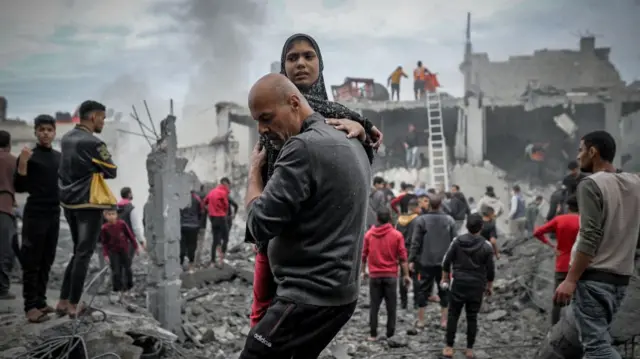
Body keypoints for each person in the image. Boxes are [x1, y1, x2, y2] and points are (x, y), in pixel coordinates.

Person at [245, 33, 382, 329]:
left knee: (292, 323)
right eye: (292, 58)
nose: (301, 64)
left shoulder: (341, 116)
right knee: (261, 315)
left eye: (309, 56)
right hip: (272, 230)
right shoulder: (272, 110)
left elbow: (360, 161)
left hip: (313, 246)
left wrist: (360, 128)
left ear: (321, 63)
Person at [554, 130, 640, 359]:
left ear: (593, 152)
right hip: (621, 278)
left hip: (594, 278)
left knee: (596, 347)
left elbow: (590, 236)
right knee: (597, 342)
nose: (579, 156)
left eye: (581, 150)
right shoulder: (634, 182)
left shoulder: (590, 184)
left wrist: (570, 280)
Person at [57, 100, 117, 318]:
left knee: (77, 253)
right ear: (93, 117)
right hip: (88, 203)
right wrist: (96, 168)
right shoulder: (93, 143)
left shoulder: (66, 139)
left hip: (68, 203)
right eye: (102, 117)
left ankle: (63, 302)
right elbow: (112, 171)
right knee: (84, 253)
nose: (103, 121)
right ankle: (74, 305)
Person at [14, 115, 61, 322]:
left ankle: (41, 301)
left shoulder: (59, 157)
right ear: (35, 131)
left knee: (47, 259)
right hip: (35, 213)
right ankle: (30, 306)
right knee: (32, 260)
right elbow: (19, 187)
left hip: (53, 212)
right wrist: (23, 164)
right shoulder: (28, 155)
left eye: (49, 130)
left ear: (54, 133)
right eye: (41, 129)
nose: (45, 133)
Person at [441, 213, 495, 359]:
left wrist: (446, 278)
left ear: (466, 226)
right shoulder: (486, 246)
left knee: (453, 315)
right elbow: (490, 271)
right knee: (472, 317)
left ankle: (448, 347)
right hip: (477, 285)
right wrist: (489, 287)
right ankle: (469, 349)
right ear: (481, 227)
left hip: (459, 283)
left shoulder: (457, 242)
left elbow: (446, 262)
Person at [362, 208, 411, 341]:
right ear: (390, 218)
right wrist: (406, 275)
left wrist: (363, 272)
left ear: (377, 219)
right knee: (391, 307)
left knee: (374, 306)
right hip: (391, 276)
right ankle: (390, 334)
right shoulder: (397, 235)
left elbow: (363, 255)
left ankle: (373, 334)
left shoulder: (369, 235)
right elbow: (403, 257)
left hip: (375, 276)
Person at [409, 195, 457, 329]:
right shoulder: (449, 220)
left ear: (429, 204)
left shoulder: (422, 220)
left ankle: (421, 320)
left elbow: (415, 242)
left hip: (425, 262)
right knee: (445, 291)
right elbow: (455, 242)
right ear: (441, 204)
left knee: (422, 290)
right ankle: (444, 321)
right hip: (444, 264)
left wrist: (412, 259)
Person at [533, 195, 579, 325]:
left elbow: (537, 232)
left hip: (562, 264)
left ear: (567, 207)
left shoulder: (559, 219)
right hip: (579, 266)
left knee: (557, 301)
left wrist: (551, 245)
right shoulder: (584, 221)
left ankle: (554, 330)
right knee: (579, 300)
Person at [100, 208, 138, 303]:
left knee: (128, 269)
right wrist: (105, 255)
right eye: (109, 214)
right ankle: (117, 291)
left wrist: (136, 247)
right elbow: (104, 243)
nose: (111, 216)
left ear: (116, 215)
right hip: (113, 252)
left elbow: (130, 236)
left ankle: (128, 289)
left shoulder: (122, 224)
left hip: (124, 250)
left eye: (113, 214)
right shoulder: (104, 228)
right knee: (116, 272)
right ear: (105, 216)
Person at [396, 199, 421, 309]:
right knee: (415, 277)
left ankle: (403, 302)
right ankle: (416, 302)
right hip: (414, 251)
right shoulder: (418, 220)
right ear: (414, 208)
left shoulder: (399, 220)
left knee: (403, 276)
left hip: (402, 251)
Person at [0, 130, 16, 301]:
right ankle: (2, 289)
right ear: (8, 144)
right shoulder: (12, 160)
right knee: (4, 250)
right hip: (3, 208)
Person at [204, 177, 231, 268]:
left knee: (215, 240)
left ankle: (212, 261)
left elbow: (204, 202)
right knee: (226, 238)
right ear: (225, 183)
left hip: (213, 218)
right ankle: (221, 259)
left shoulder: (212, 192)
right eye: (228, 185)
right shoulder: (223, 192)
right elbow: (226, 205)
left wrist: (209, 211)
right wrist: (224, 213)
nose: (228, 187)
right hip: (221, 217)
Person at [180, 190, 204, 273]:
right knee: (192, 246)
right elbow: (201, 211)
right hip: (193, 226)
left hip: (182, 225)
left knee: (182, 245)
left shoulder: (180, 198)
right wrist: (198, 222)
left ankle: (180, 264)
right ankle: (191, 266)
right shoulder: (197, 198)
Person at [117, 187, 145, 252]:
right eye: (131, 193)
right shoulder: (131, 209)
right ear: (129, 194)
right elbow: (136, 228)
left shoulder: (116, 208)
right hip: (129, 241)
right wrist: (141, 241)